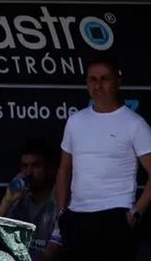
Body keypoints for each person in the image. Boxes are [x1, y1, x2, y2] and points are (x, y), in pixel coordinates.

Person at [55, 58, 151, 261]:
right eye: (93, 79)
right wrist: (61, 213)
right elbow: (64, 169)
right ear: (87, 84)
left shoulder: (135, 124)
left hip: (115, 216)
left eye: (104, 79)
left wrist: (136, 213)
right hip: (76, 217)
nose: (98, 85)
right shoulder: (75, 121)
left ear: (118, 81)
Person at [0, 138, 61, 261]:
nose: (29, 172)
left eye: (35, 166)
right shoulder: (18, 199)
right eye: (25, 166)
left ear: (49, 168)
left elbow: (50, 254)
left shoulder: (59, 198)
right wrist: (7, 201)